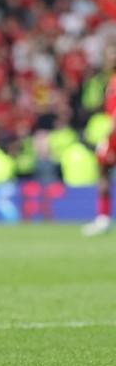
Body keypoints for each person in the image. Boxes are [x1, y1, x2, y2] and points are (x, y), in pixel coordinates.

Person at [86, 55, 116, 236]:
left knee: (103, 172)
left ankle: (103, 218)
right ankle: (103, 218)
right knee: (103, 171)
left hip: (114, 136)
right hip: (111, 134)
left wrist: (111, 135)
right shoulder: (111, 81)